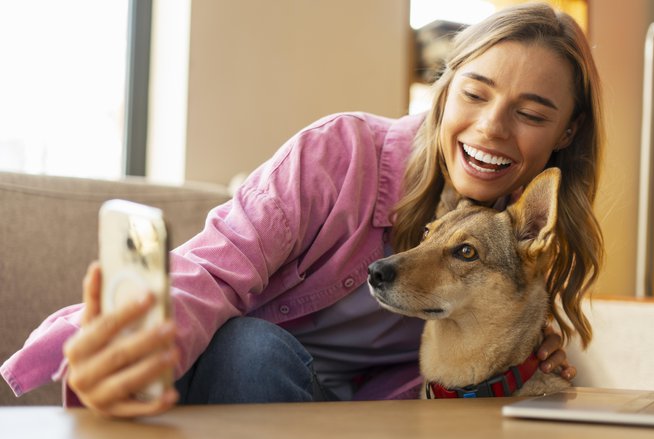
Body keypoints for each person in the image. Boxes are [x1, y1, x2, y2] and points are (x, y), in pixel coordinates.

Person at [1, 2, 603, 418]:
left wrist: (528, 353)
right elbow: (211, 270)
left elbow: (490, 338)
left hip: (360, 416)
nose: (492, 128)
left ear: (566, 132)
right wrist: (139, 347)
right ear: (445, 91)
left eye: (531, 113)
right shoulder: (340, 153)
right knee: (250, 347)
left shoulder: (518, 242)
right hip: (236, 384)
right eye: (475, 93)